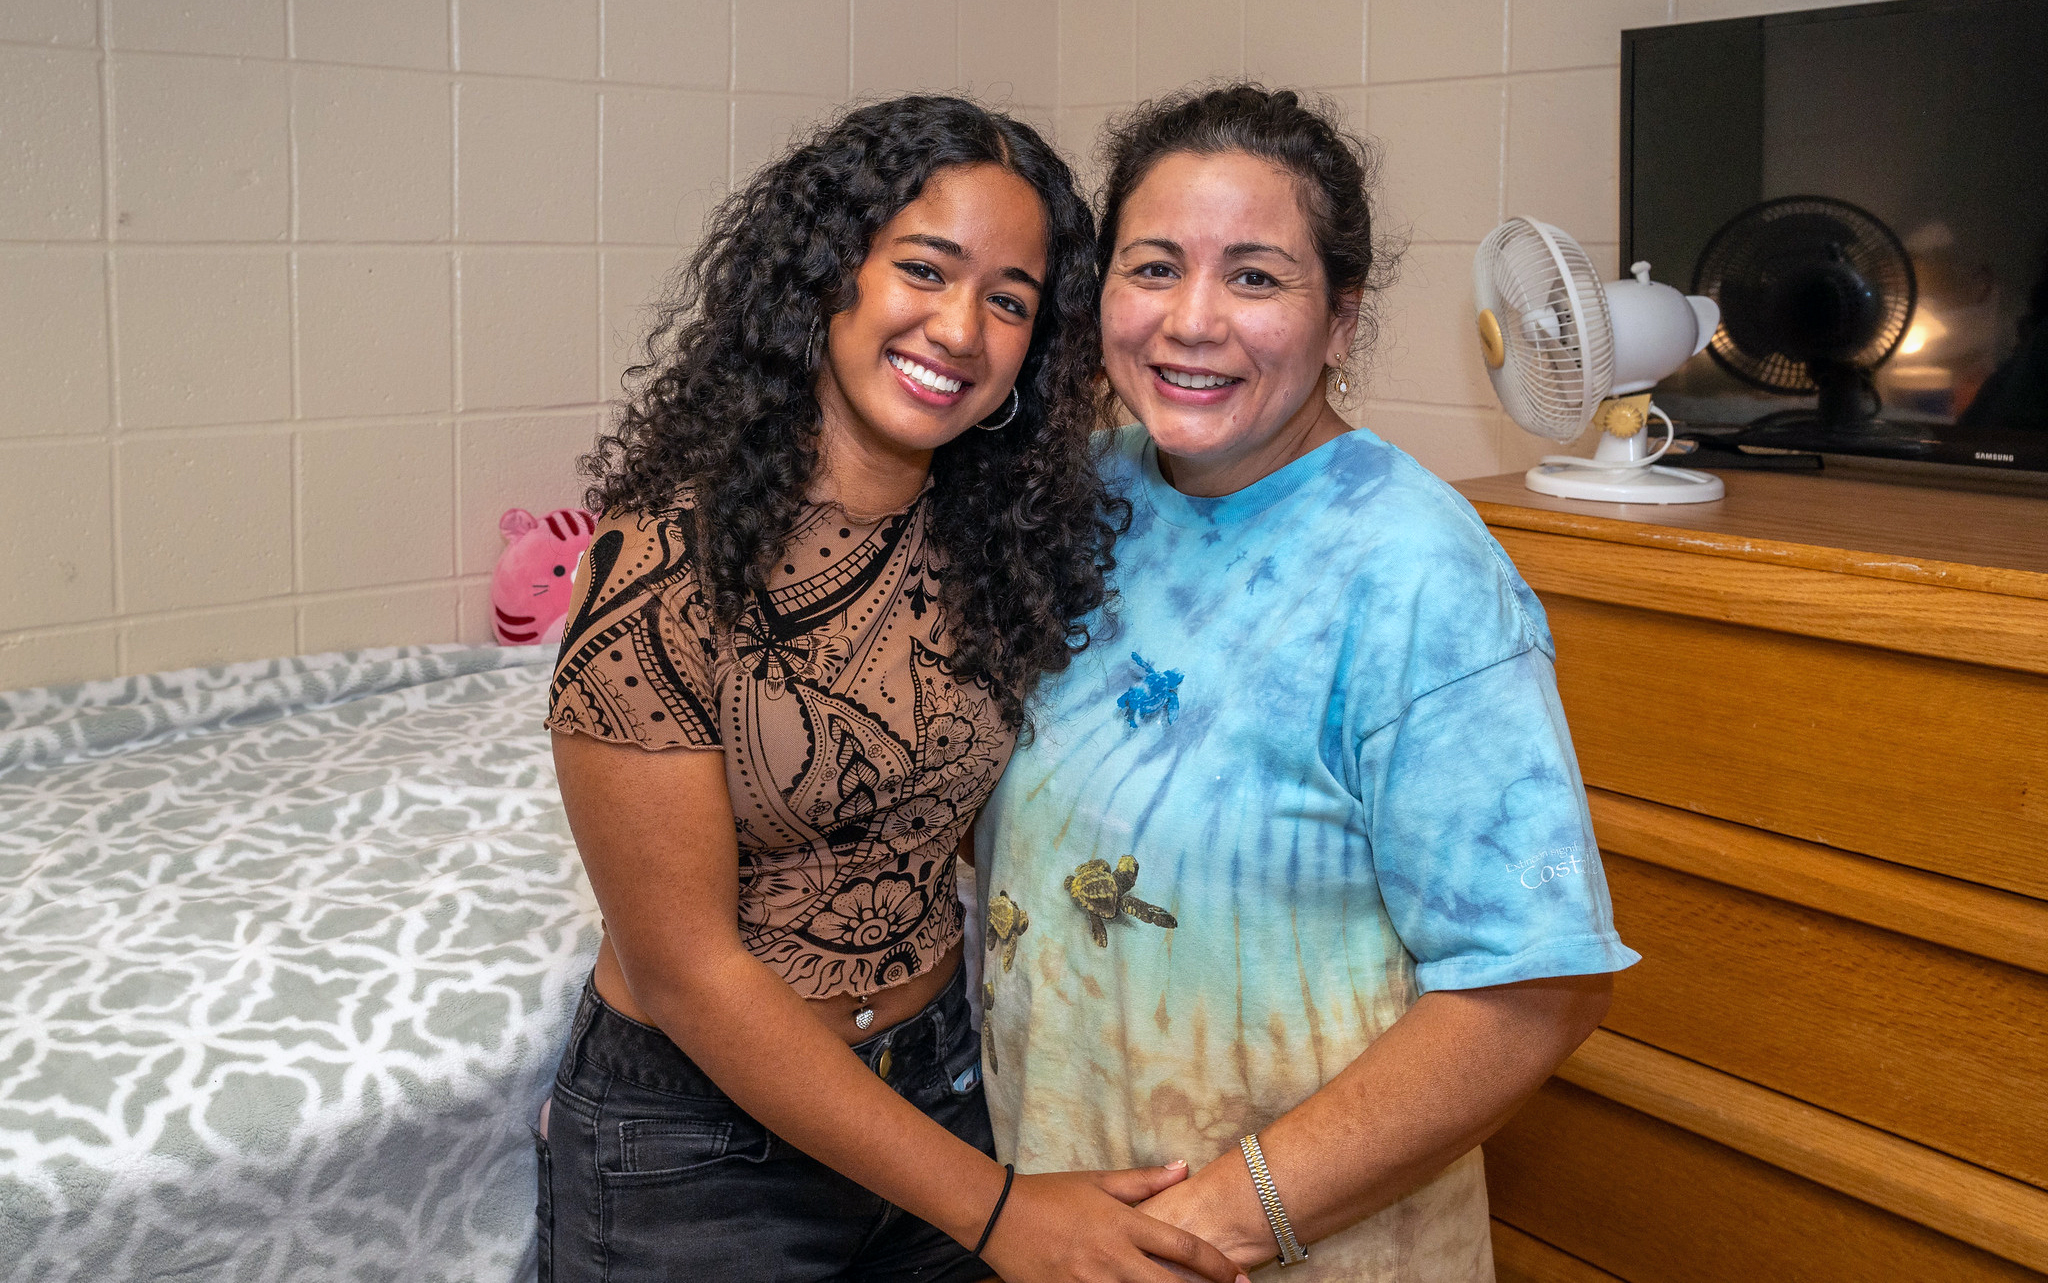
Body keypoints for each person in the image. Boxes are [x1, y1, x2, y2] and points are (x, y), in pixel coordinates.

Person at [538, 97, 1249, 1283]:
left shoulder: (998, 545)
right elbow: (688, 971)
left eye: (1011, 301)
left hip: (940, 1085)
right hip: (697, 1152)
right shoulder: (661, 565)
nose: (960, 328)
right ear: (828, 276)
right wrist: (998, 1211)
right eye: (924, 268)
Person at [973, 85, 1640, 1280]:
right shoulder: (1087, 495)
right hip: (1060, 1222)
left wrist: (1205, 1231)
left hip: (1276, 1244)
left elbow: (1535, 984)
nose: (1190, 320)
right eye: (1153, 266)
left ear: (1340, 319)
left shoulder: (1412, 569)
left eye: (1255, 277)